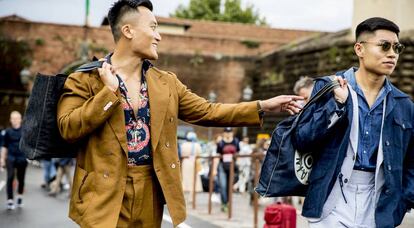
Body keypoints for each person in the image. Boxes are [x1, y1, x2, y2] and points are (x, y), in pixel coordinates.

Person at [57, 0, 302, 226]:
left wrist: (262, 105)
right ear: (128, 31)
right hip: (102, 194)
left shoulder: (166, 83)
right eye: (153, 27)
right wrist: (108, 93)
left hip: (150, 191)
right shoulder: (85, 79)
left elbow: (209, 111)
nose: (159, 36)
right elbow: (68, 128)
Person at [292, 17, 413, 228]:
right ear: (359, 49)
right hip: (331, 197)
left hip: (379, 204)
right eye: (384, 46)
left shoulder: (404, 104)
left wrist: (404, 200)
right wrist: (337, 104)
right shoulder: (328, 87)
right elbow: (303, 139)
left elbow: (412, 159)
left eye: (397, 47)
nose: (392, 54)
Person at [0, 111, 27, 210]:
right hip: (11, 157)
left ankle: (20, 196)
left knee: (21, 179)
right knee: (10, 177)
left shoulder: (25, 131)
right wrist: (2, 159)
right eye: (13, 118)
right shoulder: (7, 132)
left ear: (20, 119)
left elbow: (29, 145)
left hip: (22, 158)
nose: (15, 120)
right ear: (10, 120)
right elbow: (4, 146)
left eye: (17, 118)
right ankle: (10, 200)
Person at [216, 127, 240, 212]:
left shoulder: (236, 141)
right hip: (222, 165)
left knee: (229, 186)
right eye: (226, 132)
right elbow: (218, 155)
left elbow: (237, 153)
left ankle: (228, 202)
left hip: (232, 166)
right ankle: (224, 203)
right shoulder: (220, 142)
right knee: (223, 185)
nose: (228, 133)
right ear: (224, 133)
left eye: (230, 132)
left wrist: (238, 164)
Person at [180, 132, 202, 201]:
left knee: (185, 179)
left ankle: (184, 197)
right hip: (194, 162)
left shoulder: (183, 145)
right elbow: (199, 154)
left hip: (185, 162)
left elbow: (181, 154)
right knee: (193, 179)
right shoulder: (197, 145)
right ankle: (191, 198)